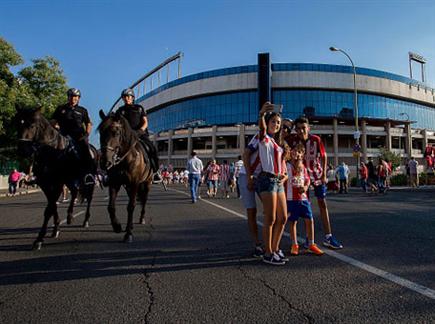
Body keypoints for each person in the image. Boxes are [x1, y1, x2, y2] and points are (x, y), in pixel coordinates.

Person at [283, 116, 343, 249]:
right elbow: (281, 139)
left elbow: (323, 155)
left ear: (308, 128)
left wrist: (323, 175)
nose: (301, 131)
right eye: (298, 129)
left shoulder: (316, 139)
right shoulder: (292, 140)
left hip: (316, 175)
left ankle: (328, 236)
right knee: (304, 207)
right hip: (301, 178)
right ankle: (308, 239)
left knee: (322, 203)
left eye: (303, 128)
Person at [257, 102, 288, 265]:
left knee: (282, 218)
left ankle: (275, 249)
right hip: (267, 180)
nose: (276, 125)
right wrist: (262, 114)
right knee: (270, 218)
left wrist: (284, 175)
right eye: (273, 122)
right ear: (267, 123)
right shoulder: (264, 139)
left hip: (278, 180)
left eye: (278, 123)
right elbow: (261, 130)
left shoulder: (277, 143)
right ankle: (267, 253)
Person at [286, 144, 324, 256]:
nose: (296, 154)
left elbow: (307, 181)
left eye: (299, 152)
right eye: (294, 151)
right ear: (290, 152)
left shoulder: (303, 167)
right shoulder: (286, 165)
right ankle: (294, 244)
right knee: (293, 221)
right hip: (290, 198)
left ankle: (311, 244)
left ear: (302, 154)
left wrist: (306, 188)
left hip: (303, 198)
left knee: (309, 219)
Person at [52, 88, 96, 184]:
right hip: (63, 136)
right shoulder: (60, 109)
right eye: (71, 96)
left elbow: (88, 123)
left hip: (79, 137)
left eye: (75, 96)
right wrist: (57, 128)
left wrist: (87, 134)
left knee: (87, 151)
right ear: (68, 97)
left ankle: (89, 174)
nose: (73, 98)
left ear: (78, 98)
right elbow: (53, 122)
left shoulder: (83, 110)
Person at [116, 88, 159, 173]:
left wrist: (140, 131)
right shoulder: (120, 110)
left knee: (151, 148)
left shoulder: (139, 108)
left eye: (128, 96)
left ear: (132, 98)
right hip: (125, 137)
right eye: (124, 97)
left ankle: (155, 171)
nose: (126, 98)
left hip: (140, 134)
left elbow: (145, 122)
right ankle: (110, 175)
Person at [241, 133, 264, 258]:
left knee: (271, 210)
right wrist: (250, 177)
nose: (285, 130)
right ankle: (257, 244)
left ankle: (270, 242)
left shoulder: (279, 141)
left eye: (288, 128)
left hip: (262, 177)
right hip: (247, 175)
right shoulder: (260, 136)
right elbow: (246, 154)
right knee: (252, 210)